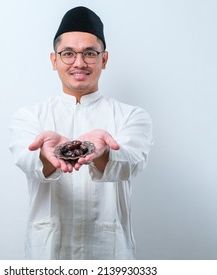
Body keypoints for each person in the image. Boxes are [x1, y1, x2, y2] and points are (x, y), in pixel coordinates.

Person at [9, 6, 153, 260]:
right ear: (54, 60)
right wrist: (46, 154)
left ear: (104, 59)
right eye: (68, 54)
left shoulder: (132, 116)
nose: (79, 63)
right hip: (49, 253)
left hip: (109, 253)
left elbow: (131, 163)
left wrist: (103, 152)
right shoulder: (30, 116)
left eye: (89, 53)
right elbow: (25, 160)